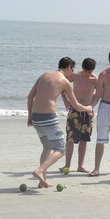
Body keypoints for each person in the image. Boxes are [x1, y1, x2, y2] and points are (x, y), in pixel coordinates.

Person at [27, 57, 93, 188]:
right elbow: (76, 105)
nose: (72, 72)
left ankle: (42, 181)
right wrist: (88, 108)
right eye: (71, 69)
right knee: (60, 149)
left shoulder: (44, 75)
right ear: (68, 67)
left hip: (36, 116)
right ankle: (40, 170)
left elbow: (30, 96)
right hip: (48, 117)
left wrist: (30, 116)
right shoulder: (64, 81)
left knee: (47, 147)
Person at [59, 58, 98, 173]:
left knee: (84, 139)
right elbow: (61, 85)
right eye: (86, 71)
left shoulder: (95, 79)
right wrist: (66, 101)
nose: (88, 74)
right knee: (70, 138)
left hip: (87, 112)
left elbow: (99, 94)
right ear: (83, 68)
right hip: (74, 110)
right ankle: (67, 165)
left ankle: (80, 166)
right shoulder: (75, 76)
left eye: (90, 72)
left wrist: (91, 106)